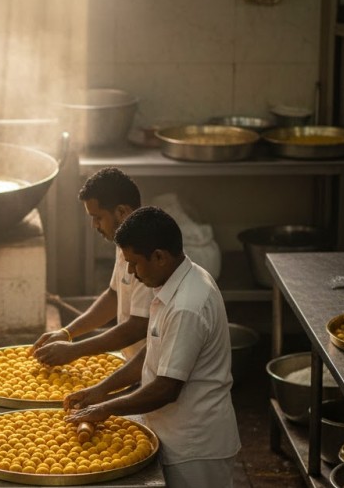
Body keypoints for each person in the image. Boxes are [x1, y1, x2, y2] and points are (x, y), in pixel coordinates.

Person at [64, 206, 240, 488]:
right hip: (171, 433)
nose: (131, 273)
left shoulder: (187, 305)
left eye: (134, 263)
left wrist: (105, 408)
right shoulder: (171, 282)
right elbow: (153, 352)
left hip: (195, 448)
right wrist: (101, 389)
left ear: (159, 256)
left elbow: (166, 388)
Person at [32, 167, 154, 365]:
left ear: (122, 212)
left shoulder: (147, 253)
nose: (94, 226)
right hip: (132, 364)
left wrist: (74, 350)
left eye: (98, 217)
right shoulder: (124, 241)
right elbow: (113, 296)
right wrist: (66, 333)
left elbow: (137, 326)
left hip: (153, 368)